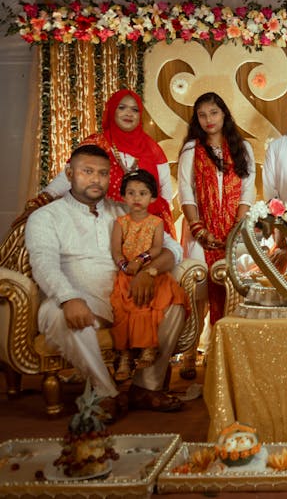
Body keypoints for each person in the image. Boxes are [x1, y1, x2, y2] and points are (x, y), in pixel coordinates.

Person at [25, 145, 185, 417]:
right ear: (69, 173)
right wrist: (68, 297)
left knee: (175, 304)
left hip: (127, 301)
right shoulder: (46, 217)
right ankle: (104, 391)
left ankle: (145, 387)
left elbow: (173, 249)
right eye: (87, 172)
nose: (96, 179)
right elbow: (43, 263)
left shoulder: (123, 211)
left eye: (102, 173)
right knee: (62, 315)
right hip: (76, 298)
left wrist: (150, 272)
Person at [177, 92, 256, 377]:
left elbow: (247, 190)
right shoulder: (191, 150)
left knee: (233, 291)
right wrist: (198, 228)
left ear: (224, 114)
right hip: (201, 231)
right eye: (202, 115)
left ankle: (223, 353)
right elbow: (186, 191)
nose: (208, 120)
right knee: (197, 294)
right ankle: (189, 352)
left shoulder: (242, 148)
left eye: (213, 113)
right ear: (196, 119)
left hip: (234, 233)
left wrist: (237, 227)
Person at [35, 89, 176, 236]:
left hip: (145, 226)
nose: (128, 113)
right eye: (122, 108)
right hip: (101, 222)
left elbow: (165, 186)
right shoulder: (97, 143)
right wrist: (44, 197)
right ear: (112, 111)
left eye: (135, 110)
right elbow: (72, 174)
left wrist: (156, 218)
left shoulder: (151, 148)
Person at [110, 170, 190, 382]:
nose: (137, 198)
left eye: (143, 193)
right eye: (131, 193)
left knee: (154, 302)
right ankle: (125, 357)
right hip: (126, 273)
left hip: (145, 268)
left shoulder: (156, 223)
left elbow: (156, 248)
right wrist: (125, 265)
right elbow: (116, 250)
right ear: (123, 196)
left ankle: (148, 347)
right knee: (123, 308)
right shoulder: (120, 222)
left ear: (152, 198)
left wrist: (141, 261)